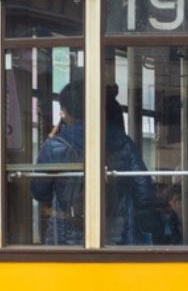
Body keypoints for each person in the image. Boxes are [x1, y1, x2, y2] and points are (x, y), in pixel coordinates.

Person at [32, 82, 153, 245]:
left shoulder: (54, 145)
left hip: (65, 229)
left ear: (66, 112)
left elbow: (39, 192)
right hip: (116, 230)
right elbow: (144, 192)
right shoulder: (123, 142)